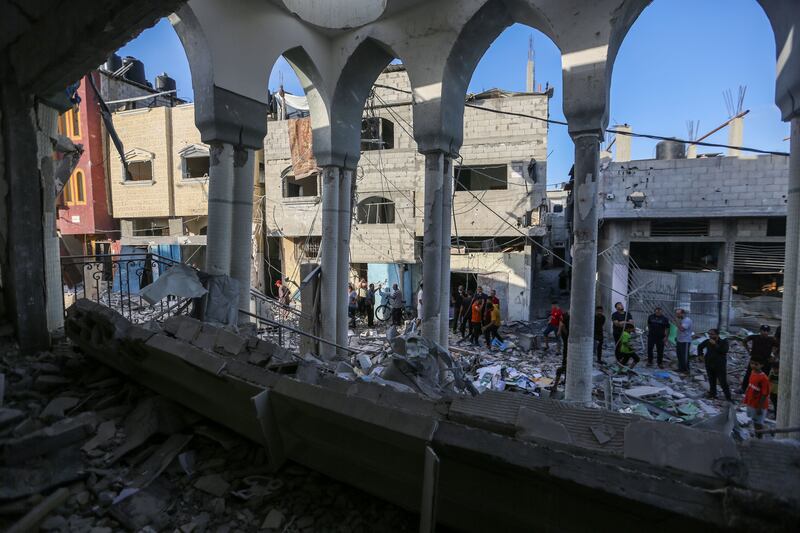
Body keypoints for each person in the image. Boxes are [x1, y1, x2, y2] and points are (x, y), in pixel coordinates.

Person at [741, 324, 778, 394]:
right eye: (763, 331)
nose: (765, 332)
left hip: (766, 361)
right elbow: (744, 341)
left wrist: (774, 357)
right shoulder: (755, 337)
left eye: (767, 331)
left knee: (764, 376)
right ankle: (743, 389)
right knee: (749, 374)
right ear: (760, 331)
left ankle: (761, 391)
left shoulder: (771, 339)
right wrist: (748, 350)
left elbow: (778, 347)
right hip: (754, 360)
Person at [697, 329, 731, 401]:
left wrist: (715, 344)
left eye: (712, 334)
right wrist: (700, 355)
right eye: (709, 334)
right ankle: (713, 394)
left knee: (723, 382)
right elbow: (699, 347)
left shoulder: (724, 342)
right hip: (709, 364)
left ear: (717, 335)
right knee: (712, 380)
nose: (710, 336)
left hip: (720, 365)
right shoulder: (707, 341)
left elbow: (724, 351)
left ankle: (728, 398)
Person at [743, 359, 770, 438]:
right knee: (754, 421)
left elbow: (765, 394)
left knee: (758, 423)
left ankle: (759, 439)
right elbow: (750, 386)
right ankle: (756, 435)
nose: (753, 366)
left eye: (756, 364)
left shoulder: (764, 378)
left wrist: (759, 407)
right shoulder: (752, 373)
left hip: (758, 405)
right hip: (751, 402)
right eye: (752, 363)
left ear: (761, 365)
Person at [674, 308, 693, 373]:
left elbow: (682, 329)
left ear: (683, 313)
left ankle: (686, 370)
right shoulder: (681, 320)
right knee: (679, 355)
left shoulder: (687, 320)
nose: (677, 315)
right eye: (676, 314)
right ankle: (681, 368)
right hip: (680, 340)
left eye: (678, 314)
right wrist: (677, 337)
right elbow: (679, 330)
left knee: (684, 356)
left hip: (685, 341)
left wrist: (677, 322)